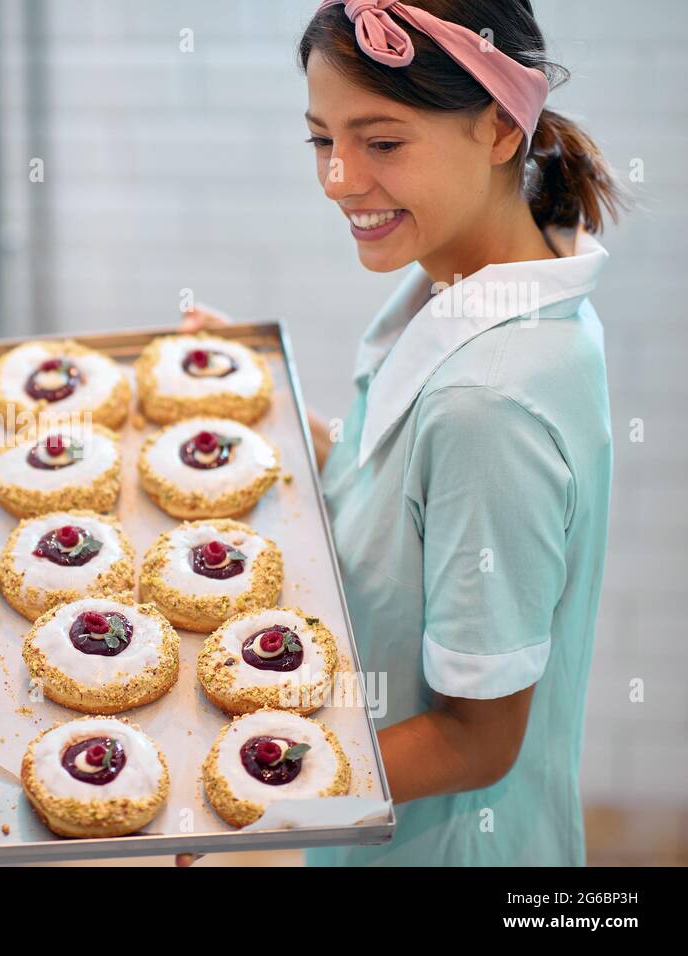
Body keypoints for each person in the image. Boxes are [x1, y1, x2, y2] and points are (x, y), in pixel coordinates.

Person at [179, 0, 626, 866]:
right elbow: (397, 499)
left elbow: (475, 740)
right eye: (322, 139)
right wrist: (262, 404)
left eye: (382, 143)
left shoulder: (490, 404)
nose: (339, 178)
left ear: (500, 128)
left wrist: (241, 785)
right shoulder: (483, 282)